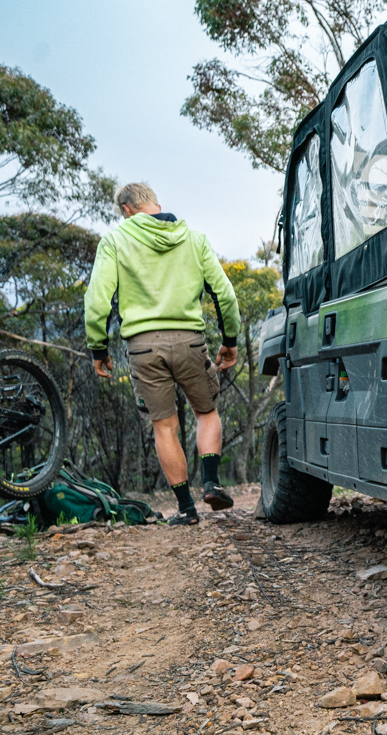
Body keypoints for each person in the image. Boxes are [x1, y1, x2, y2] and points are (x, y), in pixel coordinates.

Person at [85, 182, 241, 525]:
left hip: (143, 347)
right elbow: (224, 295)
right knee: (206, 412)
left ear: (126, 209)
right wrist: (230, 338)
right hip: (189, 342)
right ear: (154, 204)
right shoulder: (193, 238)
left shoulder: (115, 240)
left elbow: (97, 301)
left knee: (165, 427)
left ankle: (186, 510)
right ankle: (212, 481)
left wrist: (98, 348)